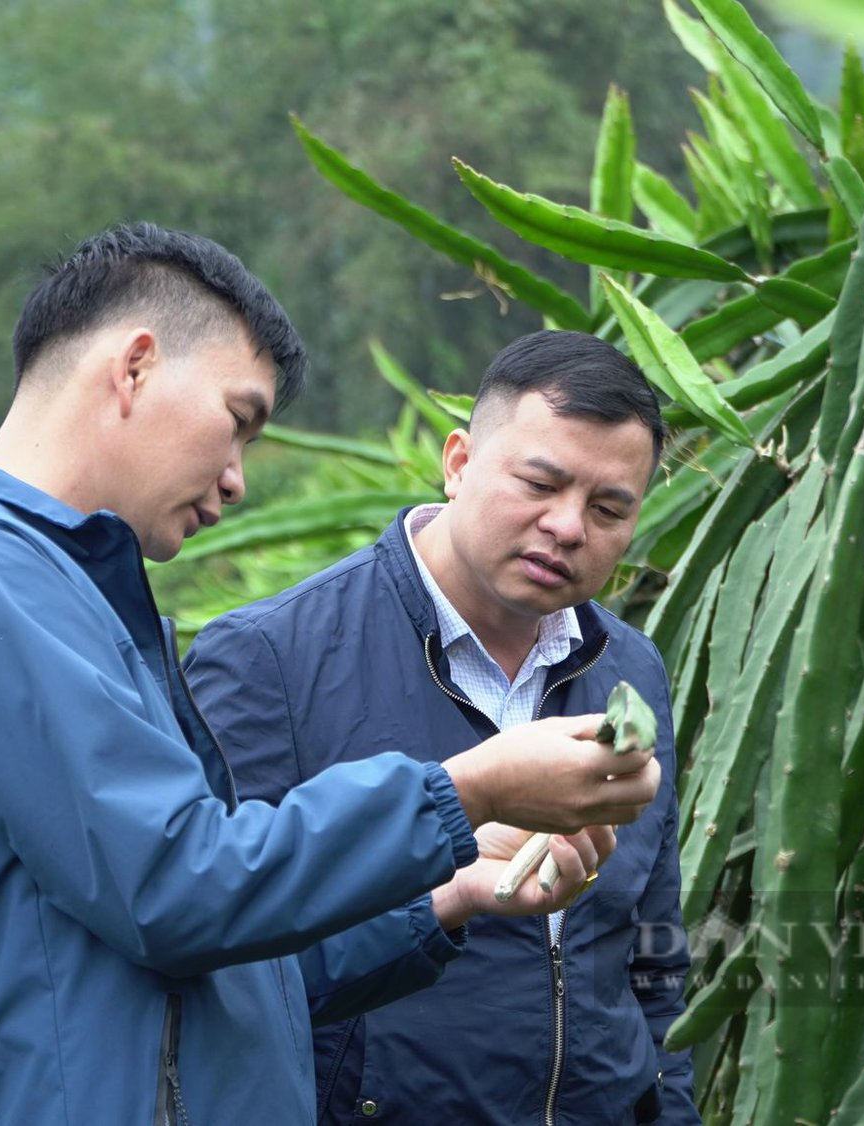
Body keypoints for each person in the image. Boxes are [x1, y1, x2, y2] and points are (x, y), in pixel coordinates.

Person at [0, 224, 667, 1123]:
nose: (238, 479)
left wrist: (448, 897)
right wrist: (463, 793)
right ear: (134, 368)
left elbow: (221, 966)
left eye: (606, 507)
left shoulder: (62, 587)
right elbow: (177, 889)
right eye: (238, 420)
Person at [185, 330, 700, 1124]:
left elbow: (653, 947)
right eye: (540, 483)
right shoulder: (268, 660)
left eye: (607, 508)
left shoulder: (630, 669)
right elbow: (224, 963)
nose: (567, 526)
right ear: (458, 462)